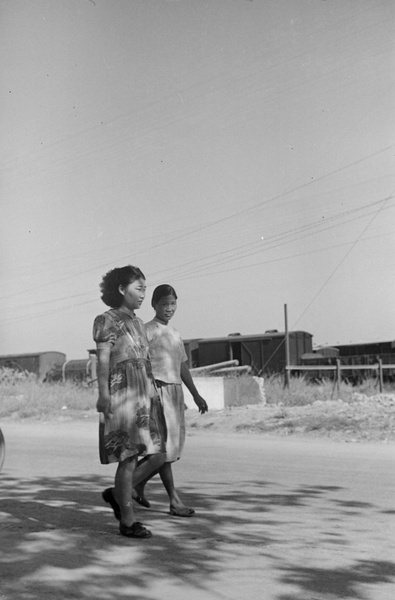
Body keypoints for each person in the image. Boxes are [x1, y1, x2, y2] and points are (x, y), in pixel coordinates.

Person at [93, 265, 167, 538]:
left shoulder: (138, 323)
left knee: (159, 454)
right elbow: (102, 361)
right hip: (122, 394)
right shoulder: (106, 320)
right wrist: (103, 395)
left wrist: (153, 393)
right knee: (128, 458)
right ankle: (127, 519)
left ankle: (117, 496)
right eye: (139, 289)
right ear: (122, 289)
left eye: (145, 289)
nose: (143, 295)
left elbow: (145, 361)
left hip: (144, 393)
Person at [133, 284, 208, 517]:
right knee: (163, 450)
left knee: (169, 450)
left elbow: (181, 366)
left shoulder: (175, 333)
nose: (169, 308)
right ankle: (172, 500)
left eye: (172, 304)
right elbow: (139, 362)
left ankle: (138, 484)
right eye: (164, 304)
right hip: (157, 392)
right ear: (154, 305)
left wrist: (196, 394)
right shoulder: (148, 330)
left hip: (175, 394)